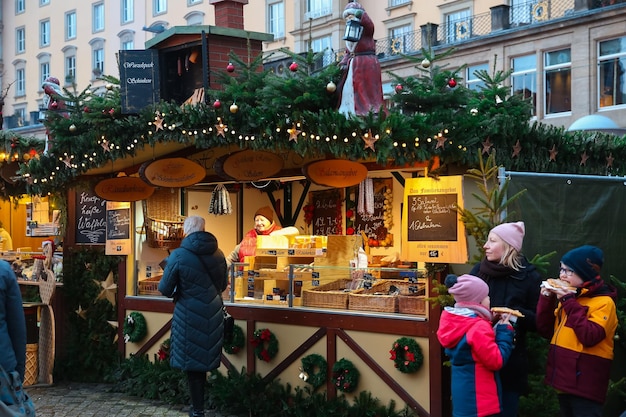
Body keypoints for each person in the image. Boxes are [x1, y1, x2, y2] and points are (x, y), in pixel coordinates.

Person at [470, 221, 542, 417]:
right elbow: (462, 306)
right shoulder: (478, 272)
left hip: (511, 362)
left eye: (492, 241)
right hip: (479, 358)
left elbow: (540, 322)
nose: (485, 245)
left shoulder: (530, 277)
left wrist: (516, 315)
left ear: (508, 247)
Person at [157, 216, 227, 417]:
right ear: (204, 229)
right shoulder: (219, 253)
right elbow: (222, 286)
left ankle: (197, 410)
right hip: (212, 313)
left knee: (192, 364)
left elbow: (165, 289)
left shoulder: (178, 255)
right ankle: (199, 407)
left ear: (186, 231)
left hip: (188, 313)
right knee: (202, 361)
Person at [536, 245, 617, 417]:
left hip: (586, 385)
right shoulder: (571, 298)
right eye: (561, 269)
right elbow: (545, 330)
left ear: (586, 273)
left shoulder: (604, 303)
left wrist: (567, 300)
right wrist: (546, 299)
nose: (562, 275)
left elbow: (590, 336)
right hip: (564, 381)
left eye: (569, 270)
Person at [437, 273, 515, 417]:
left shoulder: (455, 321)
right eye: (486, 296)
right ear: (477, 302)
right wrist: (505, 331)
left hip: (464, 402)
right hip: (481, 403)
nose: (489, 299)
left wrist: (490, 320)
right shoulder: (478, 327)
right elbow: (496, 360)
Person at [336, 2, 384, 116]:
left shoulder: (365, 30)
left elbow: (370, 25)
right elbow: (348, 51)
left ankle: (370, 110)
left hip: (366, 64)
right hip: (354, 65)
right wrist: (343, 62)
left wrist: (361, 15)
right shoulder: (350, 33)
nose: (349, 19)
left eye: (351, 16)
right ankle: (351, 110)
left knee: (367, 89)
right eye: (347, 17)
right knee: (351, 89)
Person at [226, 206, 298, 267]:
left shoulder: (279, 234)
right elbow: (233, 256)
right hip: (247, 278)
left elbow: (295, 231)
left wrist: (273, 235)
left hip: (270, 279)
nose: (259, 223)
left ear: (269, 221)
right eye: (257, 220)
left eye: (262, 220)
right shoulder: (249, 236)